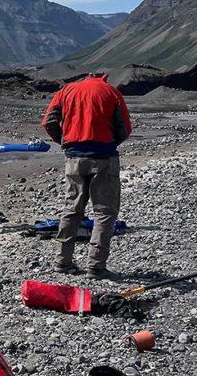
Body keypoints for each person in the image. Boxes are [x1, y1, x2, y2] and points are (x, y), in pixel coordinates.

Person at [41, 71, 132, 280]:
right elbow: (125, 128)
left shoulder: (67, 91)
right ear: (104, 77)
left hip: (74, 158)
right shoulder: (111, 92)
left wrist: (65, 142)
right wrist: (109, 145)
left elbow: (49, 121)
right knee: (104, 213)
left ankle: (63, 261)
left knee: (72, 208)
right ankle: (96, 266)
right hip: (104, 159)